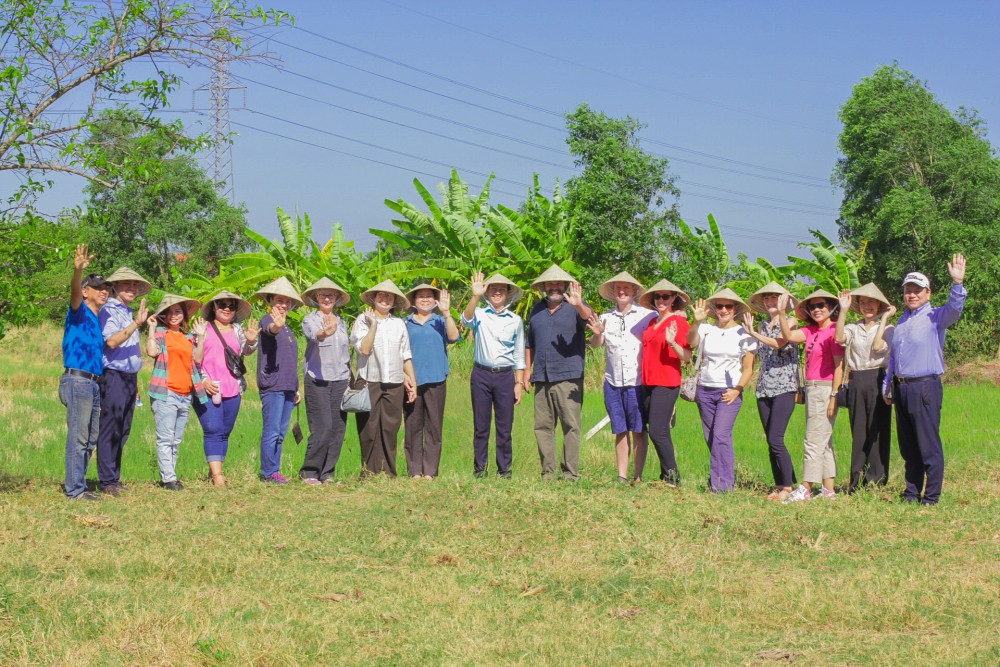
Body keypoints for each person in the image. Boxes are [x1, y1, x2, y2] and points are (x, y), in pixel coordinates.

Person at [883, 254, 966, 505]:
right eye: (908, 290)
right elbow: (895, 357)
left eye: (917, 290)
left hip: (925, 387)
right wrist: (887, 385)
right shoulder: (902, 321)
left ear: (928, 293)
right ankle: (911, 493)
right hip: (902, 388)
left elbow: (955, 309)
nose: (912, 295)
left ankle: (931, 497)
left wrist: (957, 283)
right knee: (908, 446)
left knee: (928, 444)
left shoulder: (936, 317)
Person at [524, 264, 595, 481]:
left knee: (570, 426)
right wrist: (527, 371)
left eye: (558, 283)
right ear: (544, 286)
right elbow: (530, 344)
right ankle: (548, 472)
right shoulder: (536, 310)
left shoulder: (576, 306)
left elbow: (591, 319)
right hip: (542, 376)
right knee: (543, 426)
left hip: (568, 376)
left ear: (564, 285)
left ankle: (570, 474)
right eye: (549, 283)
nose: (554, 287)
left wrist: (579, 305)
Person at [587, 272, 657, 483]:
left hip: (638, 382)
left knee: (638, 430)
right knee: (620, 429)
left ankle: (638, 476)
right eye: (618, 288)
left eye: (626, 288)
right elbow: (596, 344)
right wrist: (598, 333)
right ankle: (621, 475)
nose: (622, 291)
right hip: (613, 381)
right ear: (613, 293)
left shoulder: (647, 316)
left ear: (634, 291)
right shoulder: (606, 317)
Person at [777, 290, 845, 503]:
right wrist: (781, 312)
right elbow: (788, 336)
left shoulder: (834, 330)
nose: (817, 309)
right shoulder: (810, 331)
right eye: (812, 306)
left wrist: (834, 395)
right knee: (823, 440)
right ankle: (829, 490)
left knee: (813, 440)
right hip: (812, 388)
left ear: (831, 308)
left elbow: (839, 367)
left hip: (825, 388)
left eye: (821, 305)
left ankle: (805, 488)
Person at [687, 288, 757, 493]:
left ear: (735, 309)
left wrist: (737, 389)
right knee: (711, 438)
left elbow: (748, 368)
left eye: (728, 306)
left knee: (721, 436)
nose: (724, 310)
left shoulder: (744, 334)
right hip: (705, 389)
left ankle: (724, 486)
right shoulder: (707, 329)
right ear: (714, 309)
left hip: (729, 392)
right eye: (720, 306)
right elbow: (691, 341)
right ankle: (718, 479)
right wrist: (697, 321)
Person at [349, 279, 418, 477]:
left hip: (394, 381)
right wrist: (373, 326)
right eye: (381, 295)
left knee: (390, 427)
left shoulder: (399, 324)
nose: (385, 299)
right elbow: (364, 348)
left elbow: (405, 354)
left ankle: (388, 471)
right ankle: (368, 471)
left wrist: (412, 383)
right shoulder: (362, 320)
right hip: (369, 379)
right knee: (368, 428)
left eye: (389, 296)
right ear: (373, 298)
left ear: (394, 301)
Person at [461, 272, 526, 478]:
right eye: (493, 289)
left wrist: (519, 382)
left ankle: (504, 470)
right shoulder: (480, 313)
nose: (497, 292)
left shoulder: (515, 321)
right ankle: (480, 469)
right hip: (481, 374)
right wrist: (475, 296)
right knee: (481, 426)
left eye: (502, 289)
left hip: (505, 376)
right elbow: (466, 319)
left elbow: (518, 353)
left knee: (504, 427)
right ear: (488, 292)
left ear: (508, 294)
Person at [60, 245, 112, 500]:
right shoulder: (78, 311)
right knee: (79, 438)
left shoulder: (96, 319)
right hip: (77, 380)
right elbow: (73, 291)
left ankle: (79, 483)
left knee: (90, 438)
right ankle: (75, 491)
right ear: (85, 291)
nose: (105, 292)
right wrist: (78, 271)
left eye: (107, 289)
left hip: (92, 382)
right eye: (99, 288)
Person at [192, 291, 259, 486]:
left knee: (225, 431)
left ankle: (215, 469)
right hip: (207, 387)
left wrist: (253, 340)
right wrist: (203, 380)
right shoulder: (203, 328)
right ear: (214, 307)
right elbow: (194, 359)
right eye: (222, 304)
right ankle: (217, 476)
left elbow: (247, 350)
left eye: (231, 305)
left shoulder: (238, 330)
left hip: (232, 387)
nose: (227, 308)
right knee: (213, 429)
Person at [834, 283, 896, 492]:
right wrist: (843, 310)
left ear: (879, 305)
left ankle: (876, 480)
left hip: (878, 377)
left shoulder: (887, 328)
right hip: (857, 379)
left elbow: (879, 347)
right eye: (863, 302)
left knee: (878, 430)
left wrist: (885, 319)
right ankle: (856, 480)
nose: (867, 306)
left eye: (871, 302)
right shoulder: (853, 327)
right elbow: (839, 338)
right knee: (859, 430)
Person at [742, 281, 800, 502]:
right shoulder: (762, 325)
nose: (769, 301)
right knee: (770, 439)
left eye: (774, 297)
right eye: (766, 298)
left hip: (785, 385)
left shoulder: (792, 321)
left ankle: (787, 487)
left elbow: (780, 342)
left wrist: (753, 334)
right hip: (764, 387)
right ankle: (781, 483)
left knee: (776, 438)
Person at [97, 266, 151, 496]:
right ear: (115, 287)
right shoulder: (108, 310)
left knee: (123, 428)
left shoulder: (127, 312)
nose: (132, 288)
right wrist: (137, 324)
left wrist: (136, 383)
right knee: (111, 427)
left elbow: (131, 352)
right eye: (126, 284)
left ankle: (114, 477)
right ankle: (107, 480)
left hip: (129, 377)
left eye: (135, 285)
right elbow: (111, 342)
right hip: (113, 375)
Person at [145, 294, 207, 490]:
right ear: (164, 315)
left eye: (178, 311)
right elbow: (152, 352)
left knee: (176, 439)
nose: (174, 315)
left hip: (185, 393)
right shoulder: (161, 334)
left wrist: (201, 336)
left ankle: (170, 475)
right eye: (170, 312)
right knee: (165, 438)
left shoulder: (189, 337)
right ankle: (169, 478)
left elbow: (197, 360)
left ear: (184, 315)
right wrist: (151, 328)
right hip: (166, 392)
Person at [635, 278, 692, 485]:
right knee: (658, 429)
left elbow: (686, 356)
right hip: (648, 382)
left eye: (665, 296)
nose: (661, 300)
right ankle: (665, 474)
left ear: (674, 298)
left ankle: (673, 477)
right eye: (657, 296)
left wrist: (671, 342)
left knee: (658, 430)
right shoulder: (652, 322)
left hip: (666, 382)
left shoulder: (679, 323)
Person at [298, 277, 352, 485]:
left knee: (338, 428)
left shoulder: (342, 322)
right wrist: (325, 332)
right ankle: (310, 471)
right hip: (317, 379)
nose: (327, 298)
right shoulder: (310, 319)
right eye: (323, 295)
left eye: (331, 295)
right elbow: (315, 335)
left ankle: (328, 472)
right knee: (323, 427)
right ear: (316, 298)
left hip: (340, 379)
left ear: (337, 298)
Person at [404, 283, 460, 479]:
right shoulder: (406, 323)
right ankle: (414, 471)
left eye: (429, 296)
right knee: (412, 425)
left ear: (435, 300)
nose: (425, 299)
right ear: (414, 300)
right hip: (412, 381)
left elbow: (454, 337)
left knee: (434, 426)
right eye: (420, 296)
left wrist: (446, 313)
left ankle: (430, 471)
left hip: (436, 378)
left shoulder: (440, 321)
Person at [254, 277, 303, 484]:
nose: (284, 305)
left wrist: (296, 387)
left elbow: (289, 360)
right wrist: (276, 325)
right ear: (271, 301)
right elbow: (269, 329)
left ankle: (275, 470)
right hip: (273, 386)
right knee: (272, 431)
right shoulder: (268, 320)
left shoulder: (288, 329)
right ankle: (268, 472)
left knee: (281, 432)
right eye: (279, 301)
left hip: (288, 387)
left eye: (287, 302)